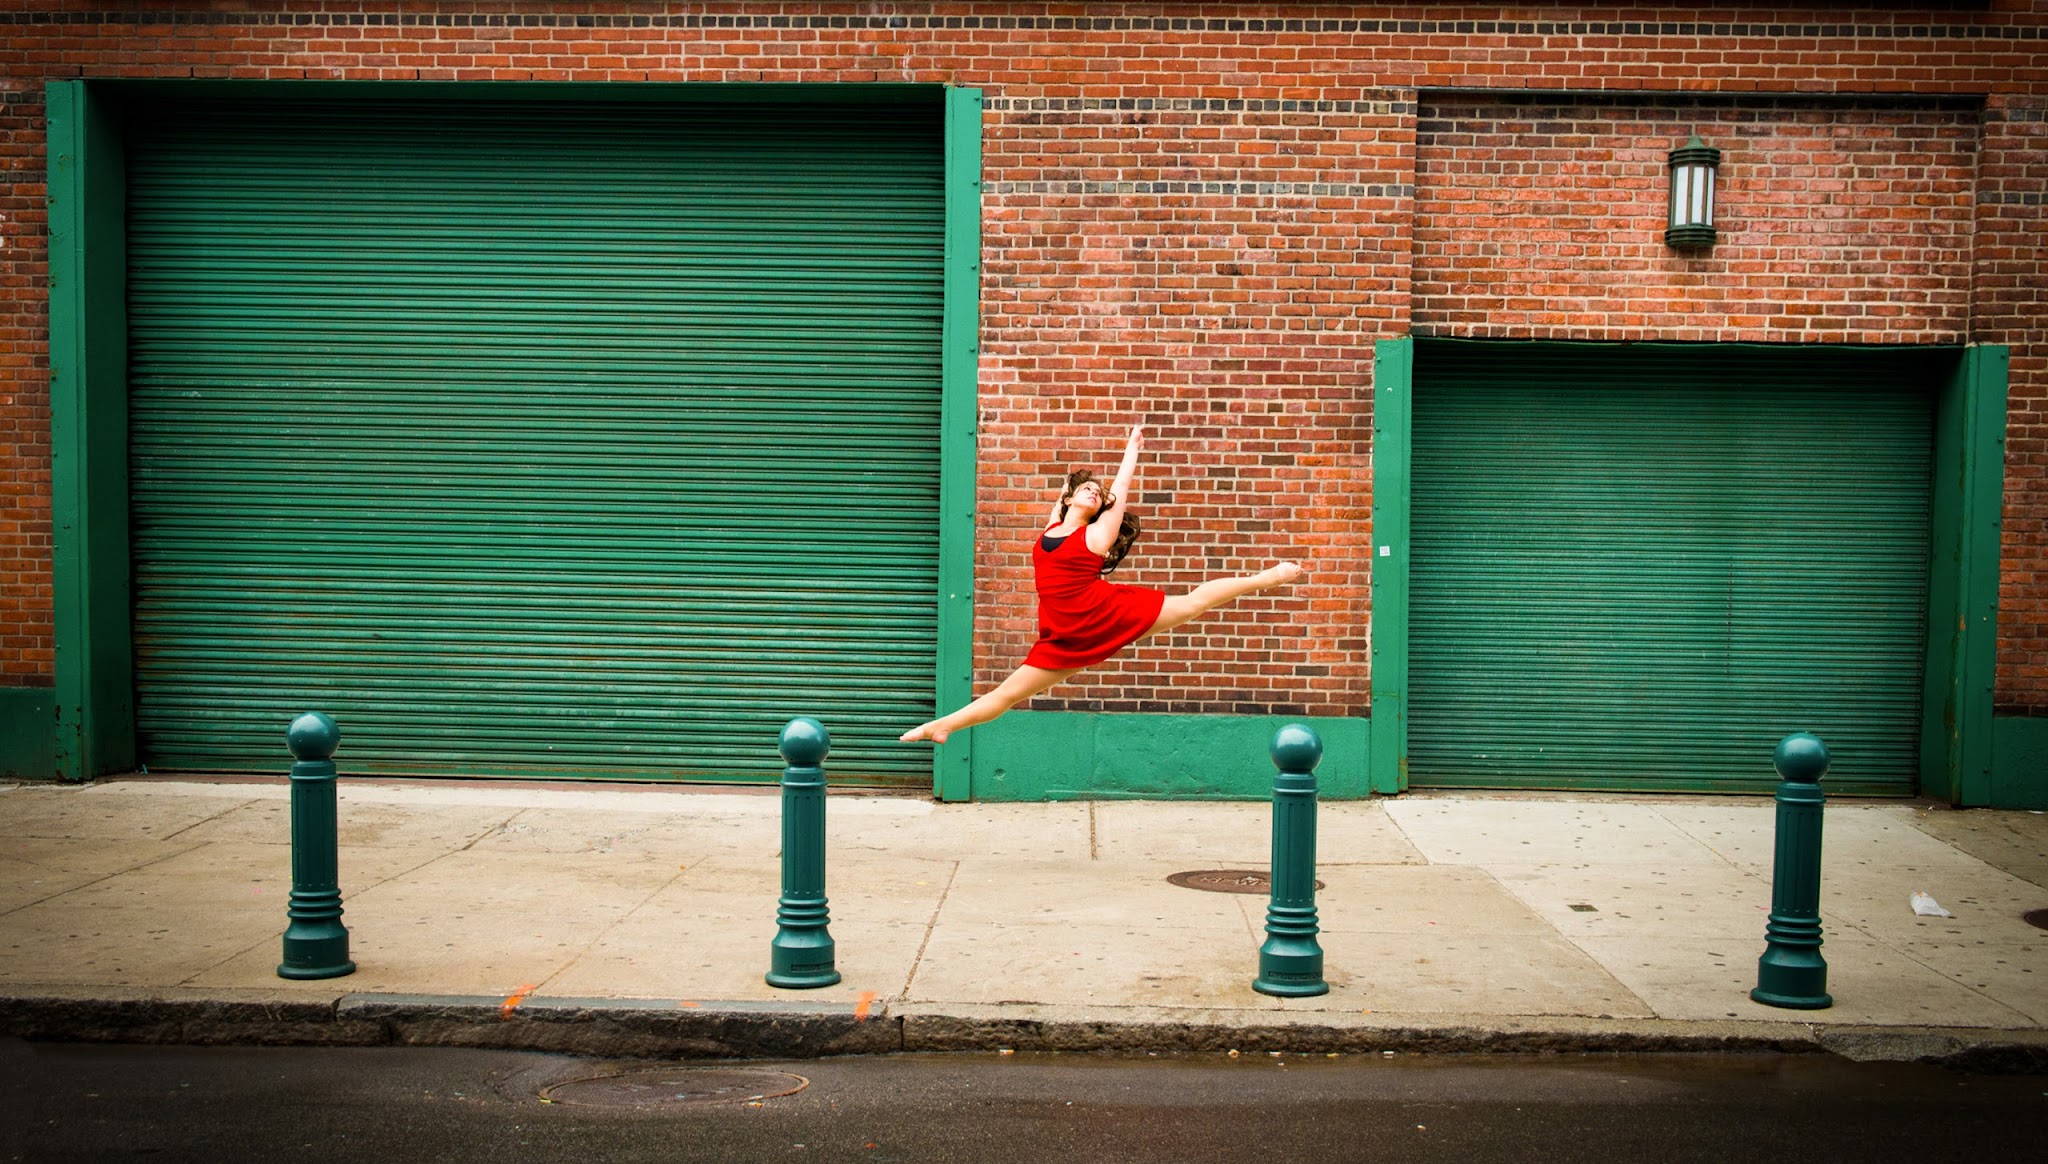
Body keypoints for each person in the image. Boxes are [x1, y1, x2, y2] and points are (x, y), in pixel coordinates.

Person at [900, 425, 1303, 744]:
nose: (1094, 492)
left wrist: (1132, 451)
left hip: (1104, 610)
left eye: (1098, 494)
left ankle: (1267, 578)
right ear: (1071, 497)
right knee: (1007, 694)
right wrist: (1069, 480)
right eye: (1087, 488)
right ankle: (943, 726)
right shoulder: (1052, 528)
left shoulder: (1095, 537)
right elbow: (1063, 491)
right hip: (1062, 634)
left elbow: (1120, 489)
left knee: (1193, 604)